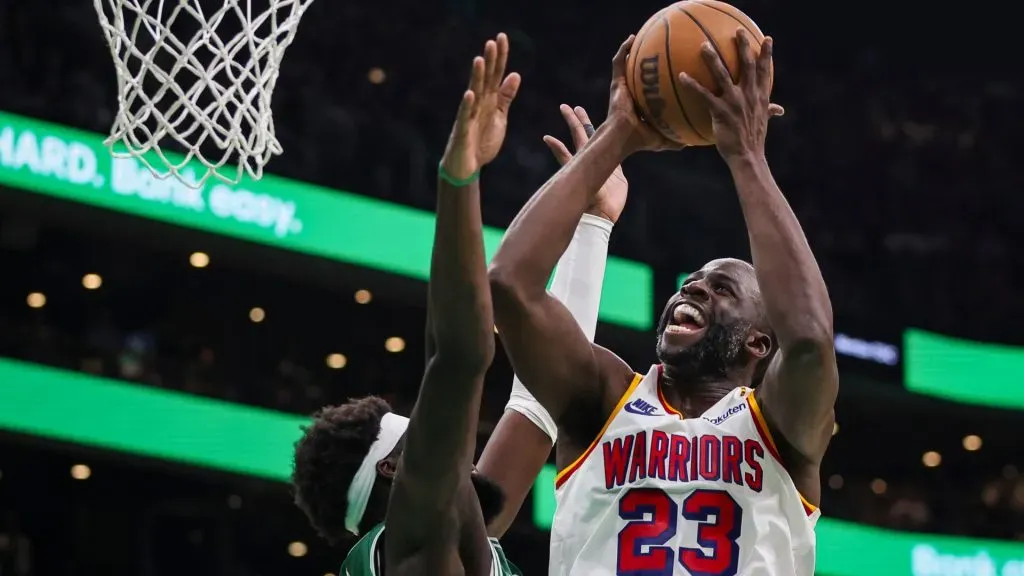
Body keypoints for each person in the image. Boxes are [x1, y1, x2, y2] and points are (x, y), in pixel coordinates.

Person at [488, 30, 837, 576]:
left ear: (759, 342)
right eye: (691, 281)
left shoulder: (780, 424)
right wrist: (616, 137)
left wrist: (747, 156)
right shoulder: (603, 397)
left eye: (722, 289)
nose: (692, 288)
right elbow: (510, 283)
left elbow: (811, 340)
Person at [290, 33, 627, 574]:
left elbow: (541, 403)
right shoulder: (414, 544)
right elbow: (460, 355)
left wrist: (593, 225)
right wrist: (458, 179)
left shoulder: (457, 543)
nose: (451, 439)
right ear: (396, 470)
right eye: (426, 433)